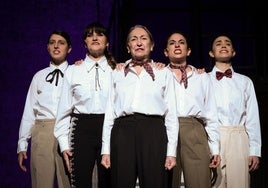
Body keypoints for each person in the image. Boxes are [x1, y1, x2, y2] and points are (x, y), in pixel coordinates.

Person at [101, 24, 178, 188]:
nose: (139, 43)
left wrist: (171, 152)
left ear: (152, 45)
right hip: (123, 131)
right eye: (134, 39)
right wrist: (105, 150)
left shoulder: (163, 73)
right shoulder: (117, 73)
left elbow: (171, 115)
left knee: (155, 182)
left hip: (153, 131)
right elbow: (110, 113)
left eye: (144, 39)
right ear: (128, 47)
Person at [54, 22, 116, 188]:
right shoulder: (73, 71)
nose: (95, 37)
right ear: (85, 43)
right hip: (81, 128)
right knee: (81, 182)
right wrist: (64, 144)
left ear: (107, 42)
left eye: (99, 34)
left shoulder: (118, 70)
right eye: (90, 35)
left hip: (110, 128)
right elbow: (63, 110)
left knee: (109, 181)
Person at [163, 31, 221, 188]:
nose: (176, 45)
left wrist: (214, 148)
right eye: (172, 42)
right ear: (166, 51)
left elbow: (211, 114)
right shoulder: (159, 75)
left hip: (194, 128)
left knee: (199, 181)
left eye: (181, 42)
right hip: (166, 129)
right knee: (167, 180)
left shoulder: (202, 77)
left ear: (188, 50)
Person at [17, 30, 72, 188]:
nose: (56, 46)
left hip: (67, 131)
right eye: (52, 42)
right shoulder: (39, 76)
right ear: (47, 47)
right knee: (42, 182)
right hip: (42, 131)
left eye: (61, 43)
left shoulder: (76, 73)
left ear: (69, 48)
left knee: (68, 181)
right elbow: (29, 112)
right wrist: (22, 144)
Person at [208, 35, 262, 188]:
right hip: (214, 137)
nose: (223, 45)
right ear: (211, 53)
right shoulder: (203, 80)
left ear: (233, 52)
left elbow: (252, 117)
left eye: (228, 43)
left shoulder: (245, 82)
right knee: (214, 184)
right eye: (218, 43)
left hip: (239, 137)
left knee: (240, 184)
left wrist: (255, 150)